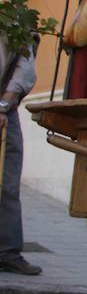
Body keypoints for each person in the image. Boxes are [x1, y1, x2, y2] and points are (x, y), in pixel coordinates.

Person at [0, 37, 41, 276]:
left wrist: (3, 104)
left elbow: (24, 69)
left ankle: (7, 252)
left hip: (4, 108)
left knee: (6, 185)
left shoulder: (15, 21)